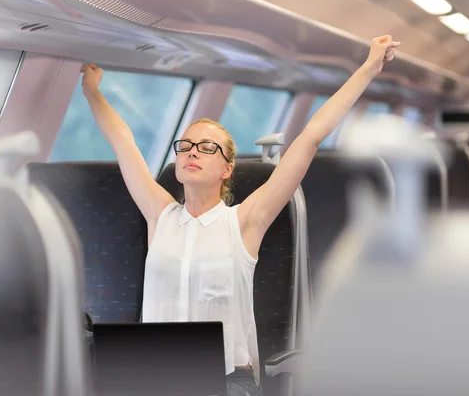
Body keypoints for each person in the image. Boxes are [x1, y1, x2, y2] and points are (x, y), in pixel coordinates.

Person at [80, 35, 400, 396]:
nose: (191, 152)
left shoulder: (245, 221)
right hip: (155, 377)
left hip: (226, 381)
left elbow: (310, 137)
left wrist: (370, 67)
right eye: (184, 146)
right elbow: (123, 140)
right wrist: (92, 90)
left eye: (206, 147)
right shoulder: (160, 215)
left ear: (227, 168)